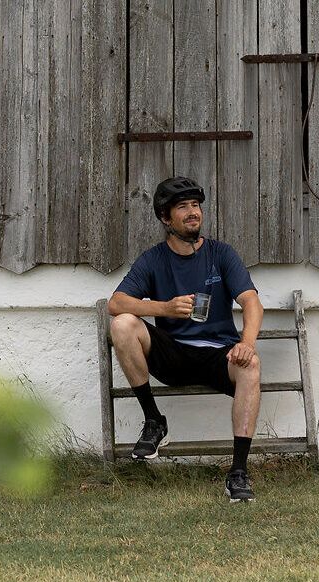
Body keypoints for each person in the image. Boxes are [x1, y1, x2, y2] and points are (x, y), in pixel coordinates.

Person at [107, 176, 263, 503]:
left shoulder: (221, 254)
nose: (193, 212)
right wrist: (162, 307)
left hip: (219, 355)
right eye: (182, 207)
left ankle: (237, 472)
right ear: (166, 218)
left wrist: (246, 342)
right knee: (122, 324)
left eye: (195, 205)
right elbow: (116, 303)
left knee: (251, 365)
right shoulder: (154, 259)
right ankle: (153, 420)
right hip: (173, 356)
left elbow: (251, 301)